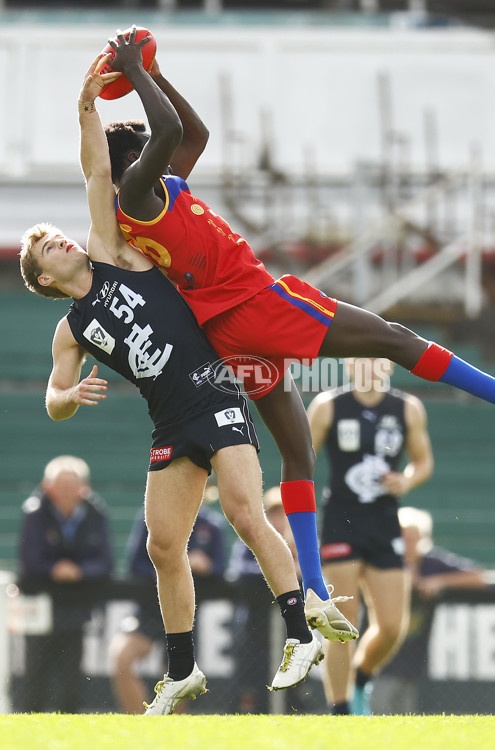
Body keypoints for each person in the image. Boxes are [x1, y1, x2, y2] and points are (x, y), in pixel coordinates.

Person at [98, 30, 495, 641]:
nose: (152, 150)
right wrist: (137, 70)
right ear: (128, 167)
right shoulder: (136, 198)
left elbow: (193, 136)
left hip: (228, 329)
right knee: (395, 339)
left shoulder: (160, 189)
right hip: (256, 304)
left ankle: (317, 590)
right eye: (140, 149)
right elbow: (166, 135)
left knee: (298, 454)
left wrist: (155, 75)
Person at [18, 55, 325, 715]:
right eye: (48, 248)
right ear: (43, 280)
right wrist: (66, 399)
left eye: (56, 237)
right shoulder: (70, 329)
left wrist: (86, 110)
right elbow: (52, 396)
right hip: (169, 419)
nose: (62, 242)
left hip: (212, 387)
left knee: (245, 512)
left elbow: (97, 169)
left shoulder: (108, 251)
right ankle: (182, 670)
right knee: (163, 545)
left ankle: (300, 633)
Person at [307, 358, 434, 715]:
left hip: (383, 522)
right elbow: (301, 456)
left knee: (393, 625)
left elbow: (422, 462)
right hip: (341, 522)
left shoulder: (407, 408)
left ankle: (362, 676)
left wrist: (407, 480)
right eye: (360, 359)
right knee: (343, 624)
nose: (368, 365)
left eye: (376, 358)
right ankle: (341, 708)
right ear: (348, 366)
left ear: (389, 365)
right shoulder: (328, 406)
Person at [17, 455, 113, 713]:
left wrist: (79, 571)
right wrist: (55, 570)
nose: (67, 492)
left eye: (72, 486)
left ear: (85, 488)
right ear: (47, 487)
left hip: (77, 607)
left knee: (72, 673)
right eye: (61, 486)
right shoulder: (34, 512)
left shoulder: (96, 513)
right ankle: (29, 725)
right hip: (39, 606)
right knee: (35, 670)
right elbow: (30, 562)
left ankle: (69, 725)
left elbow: (105, 562)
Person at [109, 503, 226, 714]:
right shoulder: (151, 517)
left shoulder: (212, 524)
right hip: (150, 608)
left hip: (187, 615)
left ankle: (170, 735)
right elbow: (136, 565)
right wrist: (173, 566)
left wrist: (206, 566)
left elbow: (220, 569)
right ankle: (139, 725)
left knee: (179, 677)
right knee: (121, 659)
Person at [372, 506, 487, 715]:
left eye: (413, 538)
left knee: (404, 711)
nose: (408, 543)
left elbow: (478, 576)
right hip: (381, 653)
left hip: (412, 655)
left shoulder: (432, 563)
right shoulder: (383, 560)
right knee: (378, 706)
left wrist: (438, 581)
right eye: (403, 537)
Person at [227, 486, 304, 713]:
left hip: (292, 634)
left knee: (293, 699)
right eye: (274, 513)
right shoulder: (249, 541)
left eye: (284, 514)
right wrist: (283, 569)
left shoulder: (301, 544)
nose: (279, 520)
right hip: (254, 632)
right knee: (251, 692)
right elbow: (240, 571)